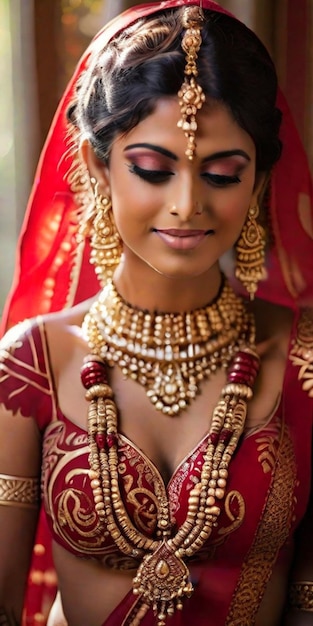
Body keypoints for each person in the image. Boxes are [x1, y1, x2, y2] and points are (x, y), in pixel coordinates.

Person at [1, 1, 313, 625]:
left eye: (223, 174)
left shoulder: (302, 360)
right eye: (151, 169)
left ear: (258, 184)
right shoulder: (33, 363)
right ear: (97, 167)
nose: (186, 203)